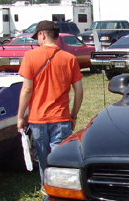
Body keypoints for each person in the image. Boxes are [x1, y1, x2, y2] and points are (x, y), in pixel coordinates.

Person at [16, 20, 83, 192]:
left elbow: (27, 89)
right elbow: (79, 91)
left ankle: (47, 188)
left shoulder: (30, 57)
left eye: (37, 37)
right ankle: (62, 188)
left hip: (38, 118)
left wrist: (20, 116)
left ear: (42, 35)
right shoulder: (70, 58)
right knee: (59, 157)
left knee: (43, 156)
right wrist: (74, 115)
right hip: (61, 117)